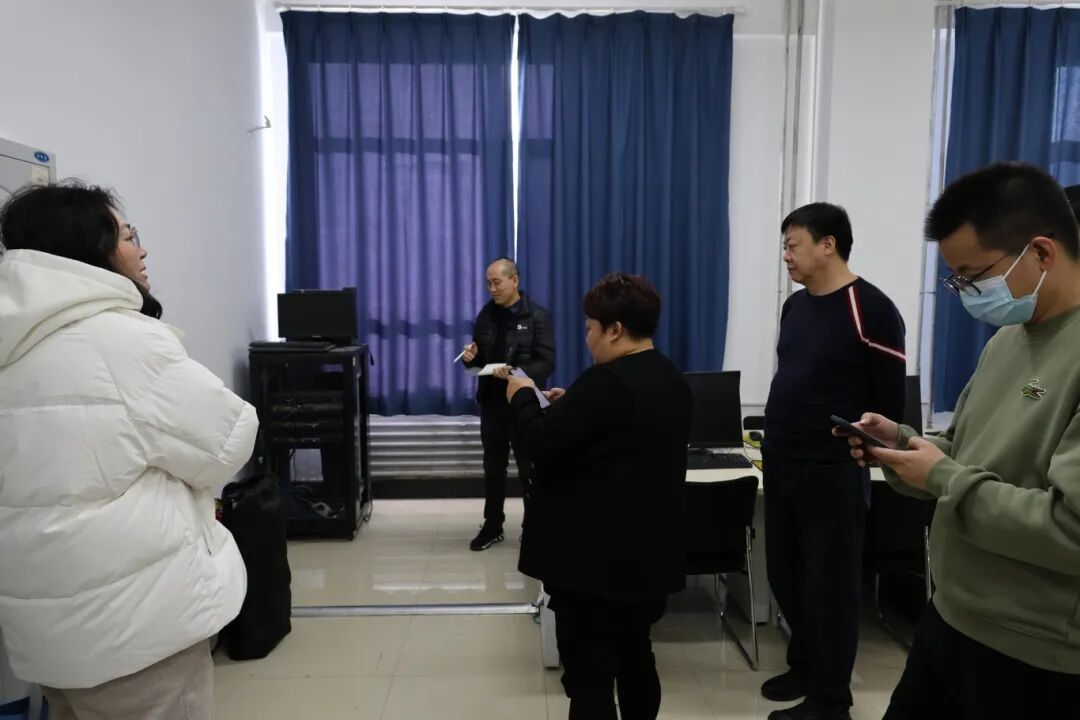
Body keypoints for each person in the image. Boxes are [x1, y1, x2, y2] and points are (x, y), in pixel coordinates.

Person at [0, 182, 258, 720]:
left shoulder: (12, 341)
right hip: (136, 631)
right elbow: (229, 439)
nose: (141, 250)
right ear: (89, 248)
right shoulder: (122, 340)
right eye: (127, 235)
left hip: (45, 634)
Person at [845, 163, 1080, 718]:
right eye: (956, 279)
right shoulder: (1007, 340)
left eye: (973, 276)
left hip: (1036, 654)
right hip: (952, 619)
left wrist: (943, 476)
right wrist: (904, 445)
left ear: (1041, 253)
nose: (965, 293)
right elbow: (963, 453)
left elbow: (1069, 531)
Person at [505, 272, 691, 720]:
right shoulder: (670, 377)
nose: (587, 338)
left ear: (615, 329)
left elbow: (540, 442)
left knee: (589, 675)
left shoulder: (607, 382)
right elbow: (619, 434)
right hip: (646, 557)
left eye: (590, 327)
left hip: (596, 565)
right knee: (636, 657)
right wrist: (570, 405)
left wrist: (523, 397)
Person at [762, 203, 906, 720]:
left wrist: (868, 449)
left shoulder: (872, 308)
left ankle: (830, 700)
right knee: (786, 575)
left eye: (792, 245)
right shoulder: (795, 307)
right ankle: (805, 666)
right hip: (781, 460)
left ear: (828, 245)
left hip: (832, 470)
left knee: (830, 587)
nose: (786, 256)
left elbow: (889, 405)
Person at [461, 257, 555, 551]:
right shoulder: (485, 316)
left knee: (530, 469)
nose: (492, 289)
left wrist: (516, 373)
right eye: (488, 283)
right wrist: (470, 359)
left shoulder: (537, 316)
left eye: (497, 282)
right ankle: (492, 525)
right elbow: (478, 362)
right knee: (493, 468)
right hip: (492, 403)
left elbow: (547, 361)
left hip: (523, 403)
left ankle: (534, 527)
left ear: (514, 280)